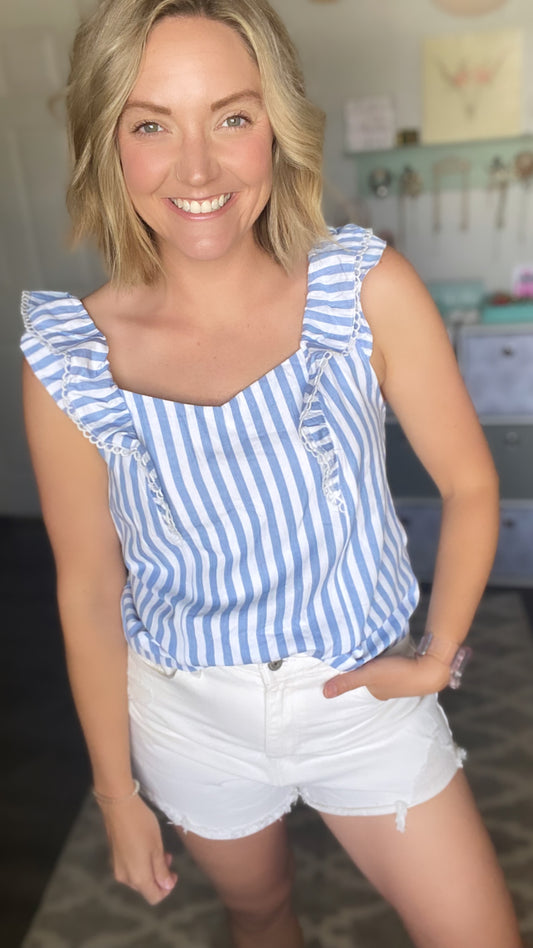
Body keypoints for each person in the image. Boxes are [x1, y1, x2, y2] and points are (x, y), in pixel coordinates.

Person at [21, 1, 522, 946]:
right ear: (107, 143)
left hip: (363, 700)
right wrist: (115, 792)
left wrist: (435, 656)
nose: (197, 168)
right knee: (260, 913)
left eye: (233, 117)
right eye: (151, 123)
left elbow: (468, 483)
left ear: (278, 130)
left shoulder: (364, 289)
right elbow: (89, 588)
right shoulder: (69, 354)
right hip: (188, 719)